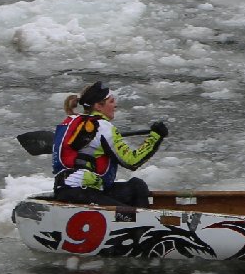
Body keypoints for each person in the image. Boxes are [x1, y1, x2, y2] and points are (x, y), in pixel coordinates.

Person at [51, 80, 166, 208]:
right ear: (98, 106)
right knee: (132, 202)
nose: (115, 105)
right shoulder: (103, 127)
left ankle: (139, 218)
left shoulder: (72, 122)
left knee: (136, 186)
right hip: (82, 192)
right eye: (111, 101)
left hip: (66, 189)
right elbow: (132, 161)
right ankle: (141, 220)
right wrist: (156, 137)